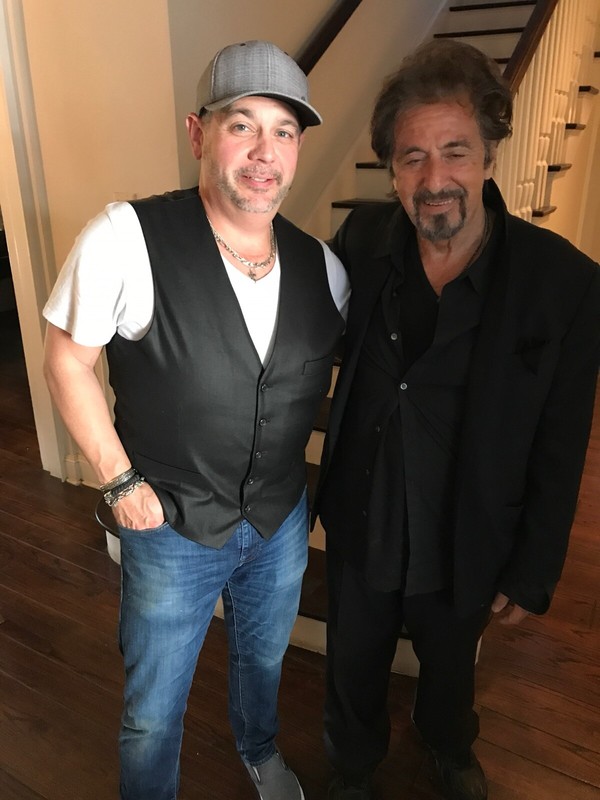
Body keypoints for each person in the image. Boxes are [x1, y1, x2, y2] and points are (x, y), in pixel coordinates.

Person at [43, 40, 349, 800]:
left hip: (279, 521)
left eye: (283, 131)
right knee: (152, 709)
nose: (264, 151)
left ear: (298, 148)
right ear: (197, 133)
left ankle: (259, 751)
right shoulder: (126, 237)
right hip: (170, 523)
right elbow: (67, 360)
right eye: (242, 125)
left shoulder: (326, 269)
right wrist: (119, 483)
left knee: (264, 661)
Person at [314, 39, 600, 800]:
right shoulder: (362, 242)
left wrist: (533, 566)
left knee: (448, 663)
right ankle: (352, 763)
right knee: (353, 656)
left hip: (470, 525)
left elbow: (562, 441)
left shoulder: (565, 284)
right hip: (366, 507)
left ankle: (446, 744)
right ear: (390, 168)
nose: (434, 178)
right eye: (412, 157)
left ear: (490, 156)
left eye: (455, 152)